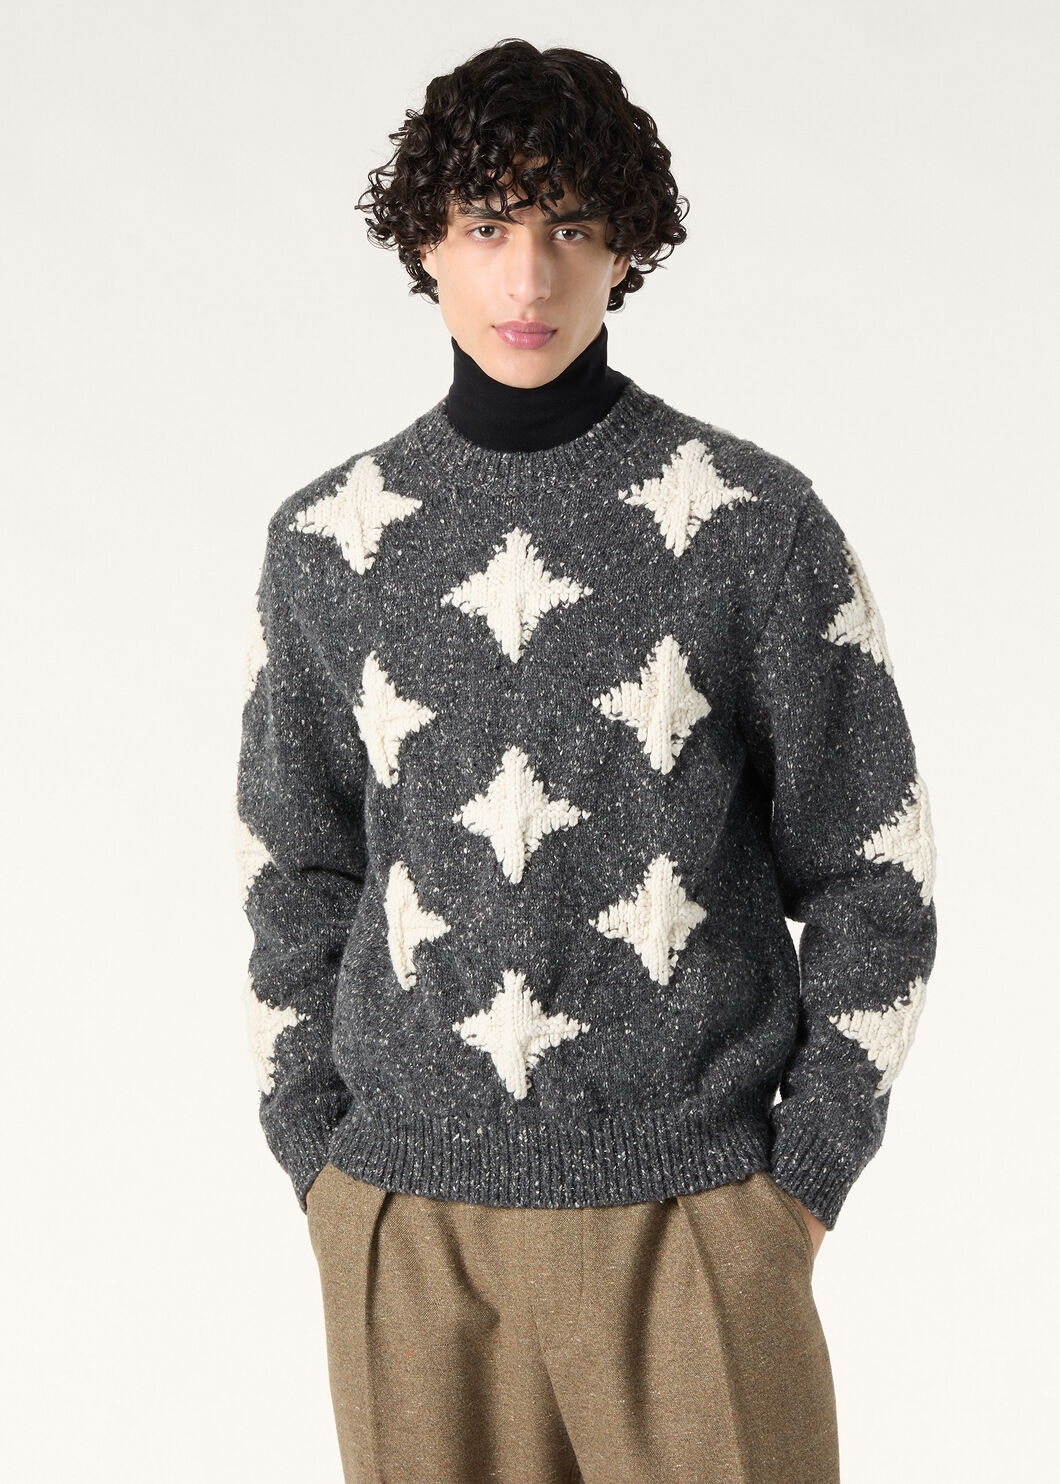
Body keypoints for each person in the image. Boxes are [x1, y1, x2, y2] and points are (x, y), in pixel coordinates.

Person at [235, 37, 937, 1484]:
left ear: (627, 248)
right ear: (425, 244)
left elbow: (875, 870)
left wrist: (797, 1190)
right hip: (407, 1228)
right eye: (488, 225)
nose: (528, 278)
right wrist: (319, 1156)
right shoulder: (328, 544)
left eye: (569, 226)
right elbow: (294, 868)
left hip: (693, 1219)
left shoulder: (752, 523)